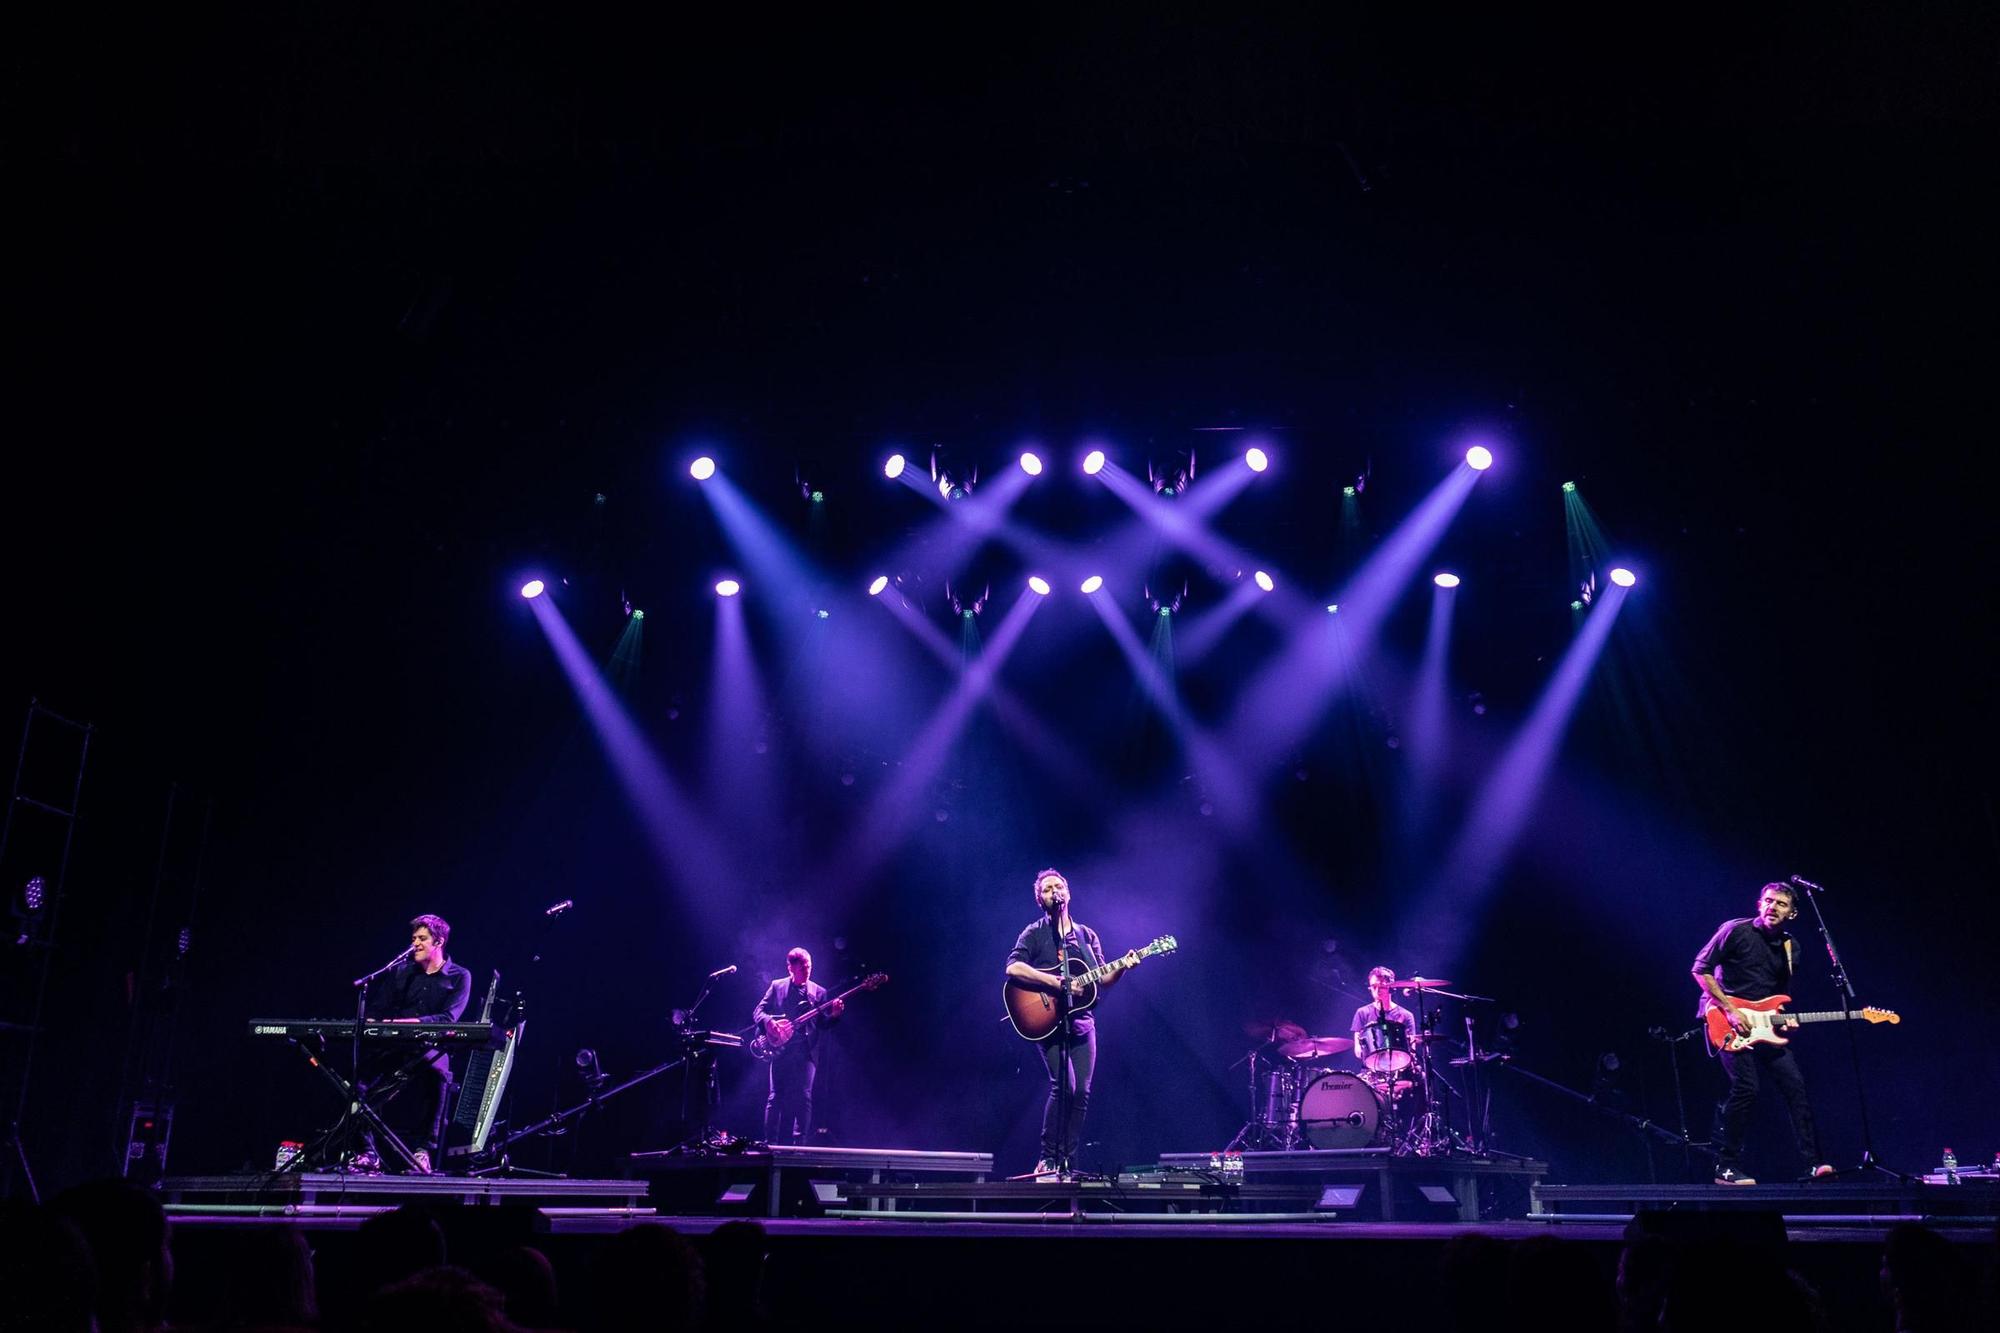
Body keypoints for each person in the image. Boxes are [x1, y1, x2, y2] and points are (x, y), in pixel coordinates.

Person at [1692, 882, 1833, 1185]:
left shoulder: (1790, 946)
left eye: (1781, 904)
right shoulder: (1735, 930)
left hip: (1764, 1024)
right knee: (1747, 1088)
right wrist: (1729, 1008)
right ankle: (1725, 1166)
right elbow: (1700, 969)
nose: (1773, 907)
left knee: (1795, 1085)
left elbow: (1780, 993)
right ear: (1759, 904)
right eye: (1768, 901)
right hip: (1725, 1018)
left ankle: (1812, 1164)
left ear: (1792, 913)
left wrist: (1783, 1018)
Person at [1004, 868, 1140, 1179]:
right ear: (1041, 900)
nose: (1056, 892)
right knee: (1064, 1086)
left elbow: (1103, 978)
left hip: (1083, 1023)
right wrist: (1053, 982)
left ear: (1068, 893)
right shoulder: (1034, 933)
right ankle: (1047, 1159)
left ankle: (1066, 1160)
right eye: (1049, 889)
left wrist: (1124, 966)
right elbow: (1013, 969)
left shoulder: (1086, 935)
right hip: (1049, 1023)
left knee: (1082, 1093)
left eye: (1059, 886)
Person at [363, 914, 472, 1172]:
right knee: (359, 1082)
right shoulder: (401, 973)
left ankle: (423, 1151)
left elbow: (448, 1018)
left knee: (438, 1075)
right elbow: (377, 1010)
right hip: (395, 1046)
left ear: (439, 942)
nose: (415, 944)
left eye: (422, 938)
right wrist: (371, 1022)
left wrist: (408, 1023)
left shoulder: (459, 976)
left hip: (430, 1049)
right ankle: (367, 1152)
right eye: (413, 938)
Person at [752, 947, 843, 1144]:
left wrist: (834, 1016)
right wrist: (769, 1022)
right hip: (780, 1050)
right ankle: (770, 1144)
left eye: (809, 966)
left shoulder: (819, 992)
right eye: (802, 968)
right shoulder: (777, 986)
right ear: (790, 968)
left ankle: (799, 1146)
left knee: (803, 1098)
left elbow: (822, 1024)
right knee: (775, 1097)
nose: (807, 970)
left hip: (806, 1053)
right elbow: (758, 1011)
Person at [1350, 965, 1417, 1080]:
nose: (1376, 991)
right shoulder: (1362, 1012)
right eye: (1373, 986)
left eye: (1381, 986)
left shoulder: (1406, 1015)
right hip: (1371, 1073)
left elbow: (1412, 1049)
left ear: (1391, 988)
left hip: (1399, 1073)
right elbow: (1357, 1051)